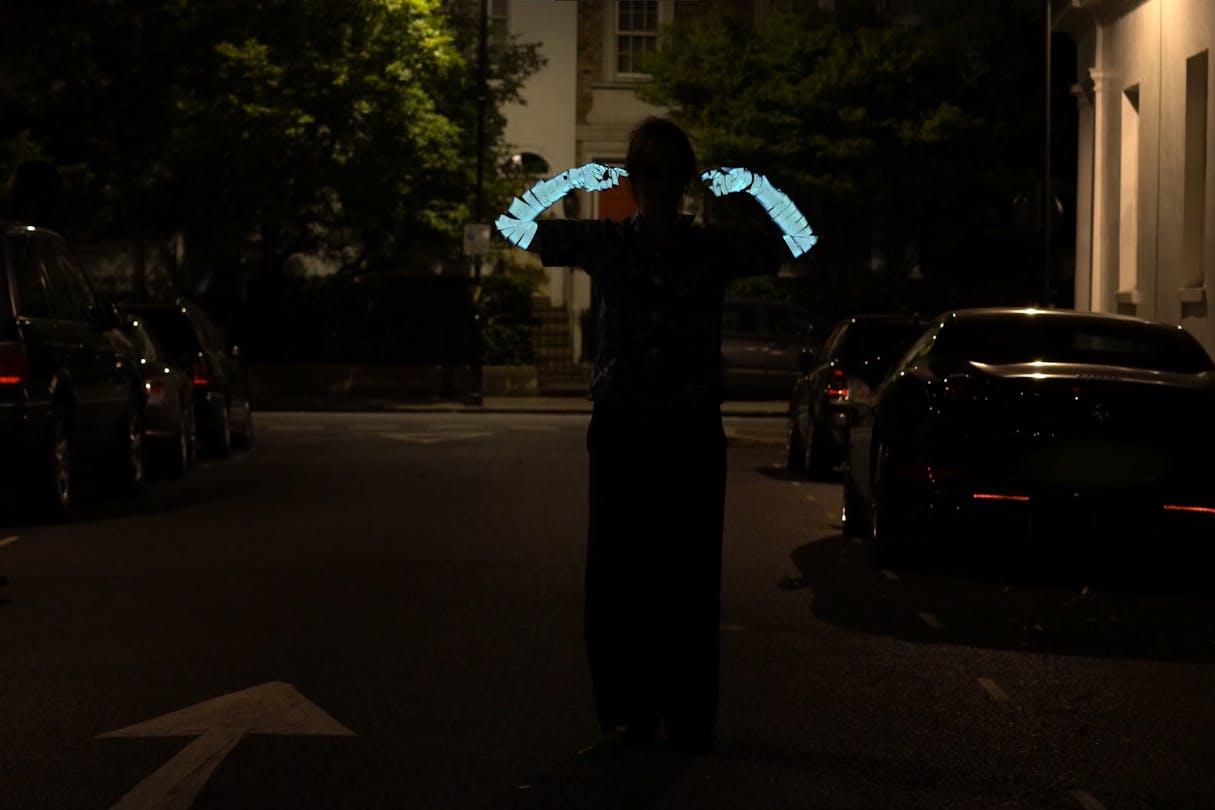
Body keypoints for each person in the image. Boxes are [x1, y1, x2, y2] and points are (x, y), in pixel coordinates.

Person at [494, 117, 814, 755]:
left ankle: (688, 715)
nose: (662, 187)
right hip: (624, 426)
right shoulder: (610, 242)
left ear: (686, 181)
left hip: (689, 427)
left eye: (673, 173)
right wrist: (588, 175)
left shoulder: (710, 247)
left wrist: (752, 183)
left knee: (690, 576)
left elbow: (799, 239)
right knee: (618, 576)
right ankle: (627, 714)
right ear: (636, 180)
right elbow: (514, 224)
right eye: (649, 173)